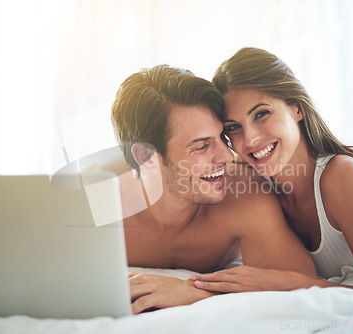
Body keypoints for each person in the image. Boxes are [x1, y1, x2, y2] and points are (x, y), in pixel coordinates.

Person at [188, 47, 353, 294]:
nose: (250, 140)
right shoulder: (248, 182)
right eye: (233, 127)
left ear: (296, 107)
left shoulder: (343, 178)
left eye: (261, 114)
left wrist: (293, 284)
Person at [110, 64, 317, 314]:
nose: (227, 155)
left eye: (222, 136)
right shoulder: (98, 204)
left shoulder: (243, 194)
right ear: (146, 157)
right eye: (201, 146)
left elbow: (305, 290)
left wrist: (195, 292)